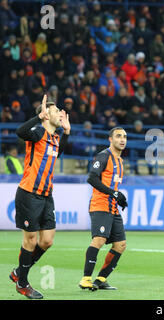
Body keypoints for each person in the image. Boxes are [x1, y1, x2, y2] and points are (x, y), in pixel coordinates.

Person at [9, 94, 70, 299]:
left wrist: (67, 133)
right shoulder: (37, 132)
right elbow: (20, 131)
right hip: (29, 194)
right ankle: (23, 283)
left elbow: (57, 153)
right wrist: (38, 118)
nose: (59, 113)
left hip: (46, 195)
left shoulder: (55, 137)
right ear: (45, 115)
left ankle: (19, 272)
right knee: (31, 239)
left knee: (47, 241)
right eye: (55, 111)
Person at [79, 127, 128, 291]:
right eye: (118, 136)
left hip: (113, 208)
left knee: (120, 245)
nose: (122, 139)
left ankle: (100, 279)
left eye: (124, 137)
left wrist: (119, 199)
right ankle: (86, 278)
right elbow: (91, 177)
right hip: (100, 205)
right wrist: (113, 193)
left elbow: (112, 184)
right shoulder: (104, 155)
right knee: (98, 240)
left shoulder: (120, 161)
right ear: (110, 139)